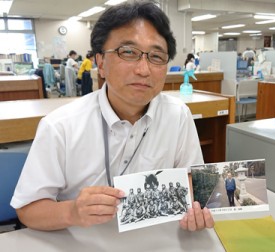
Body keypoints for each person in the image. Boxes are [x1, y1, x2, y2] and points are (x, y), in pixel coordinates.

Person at [11, 1, 214, 232]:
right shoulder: (60, 126)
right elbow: (27, 209)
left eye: (156, 57)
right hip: (83, 243)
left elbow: (193, 184)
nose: (144, 70)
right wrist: (72, 211)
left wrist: (198, 210)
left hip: (156, 241)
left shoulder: (178, 115)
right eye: (128, 52)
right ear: (100, 62)